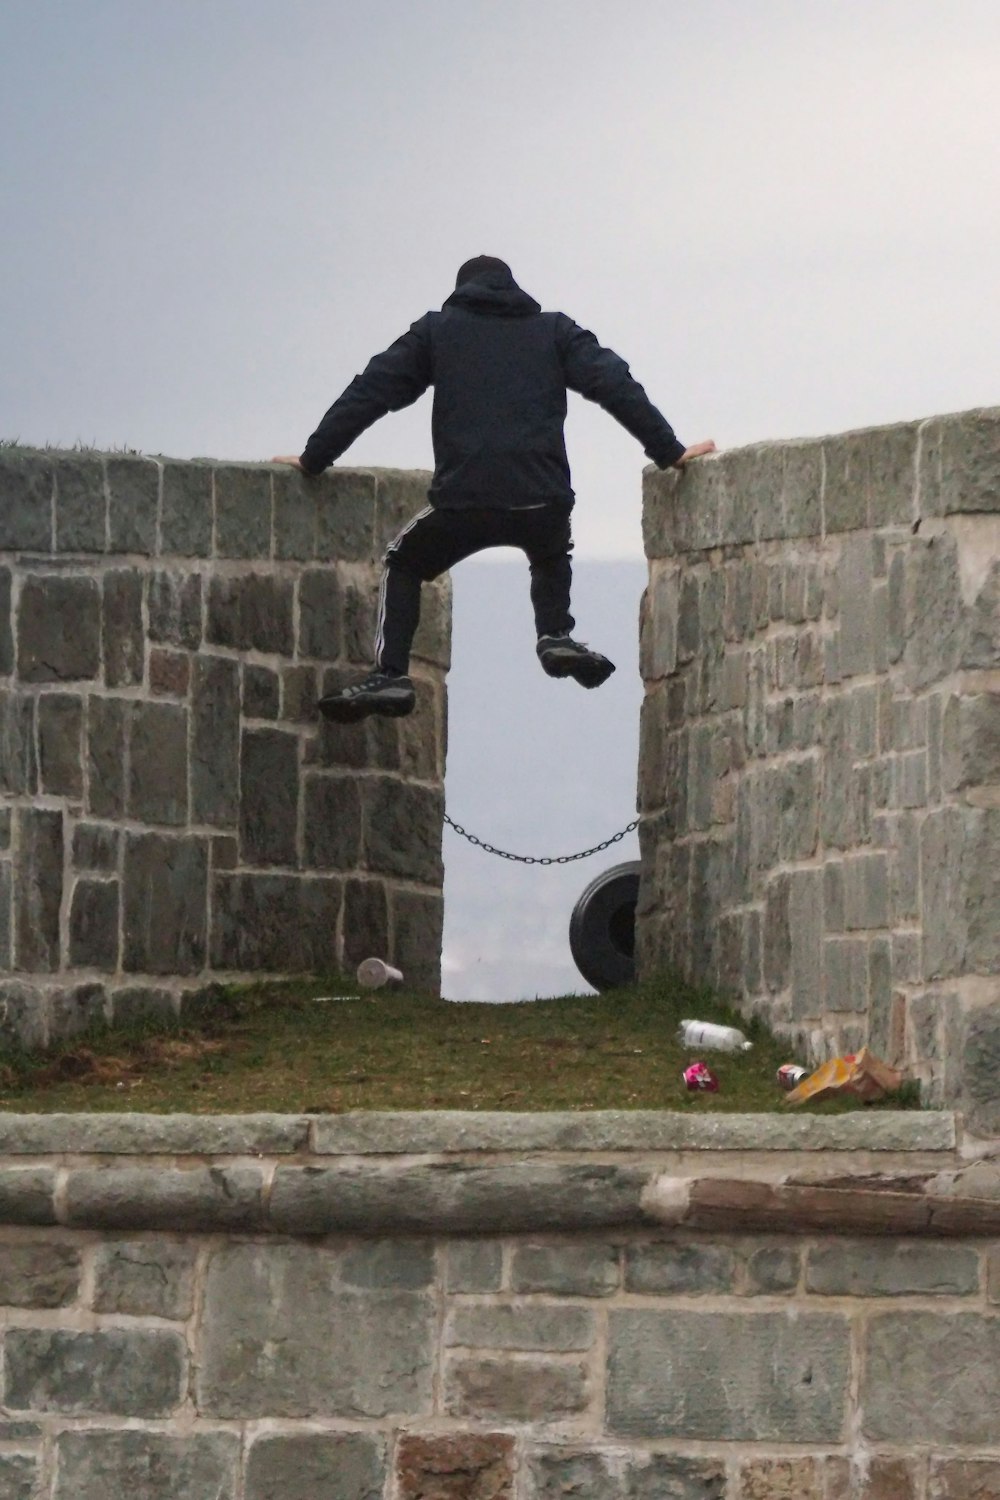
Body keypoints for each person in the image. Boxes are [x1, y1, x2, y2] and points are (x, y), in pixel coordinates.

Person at [273, 255, 715, 722]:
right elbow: (615, 384)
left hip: (464, 501)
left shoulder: (438, 332)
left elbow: (371, 391)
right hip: (541, 499)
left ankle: (391, 673)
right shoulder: (555, 331)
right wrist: (668, 450)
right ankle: (555, 635)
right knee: (550, 551)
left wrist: (315, 457)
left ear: (461, 291)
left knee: (403, 560)